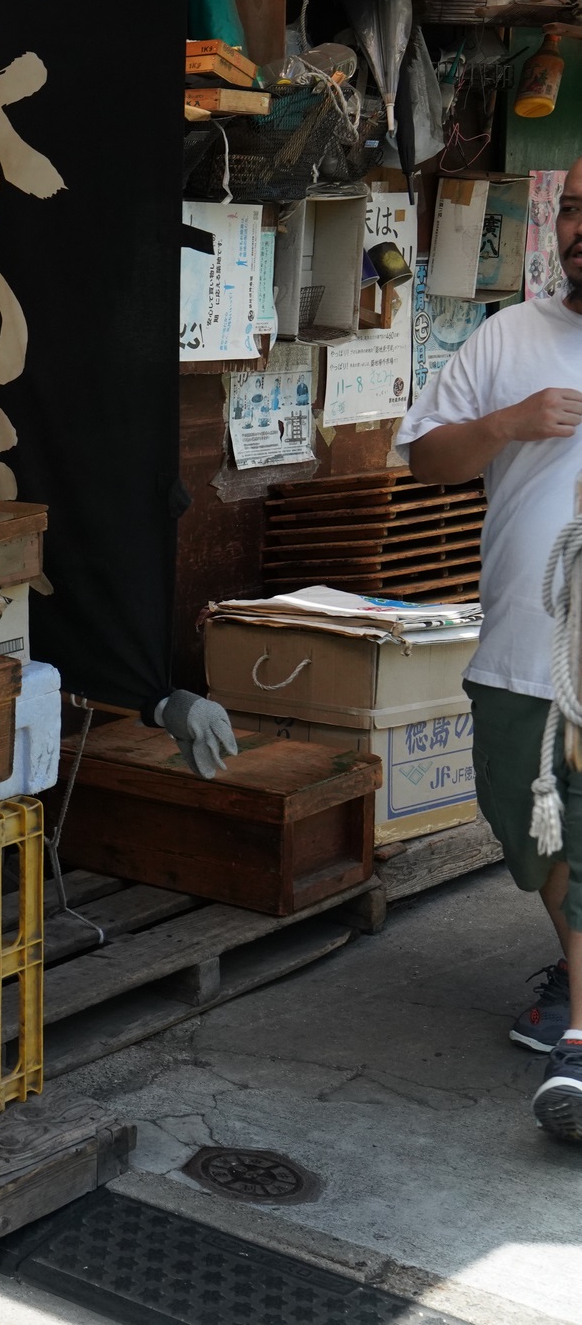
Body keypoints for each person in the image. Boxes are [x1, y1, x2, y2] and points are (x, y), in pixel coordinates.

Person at [399, 154, 582, 1142]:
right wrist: (506, 424)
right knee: (523, 818)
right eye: (576, 210)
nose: (580, 227)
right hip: (520, 640)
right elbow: (426, 459)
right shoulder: (510, 337)